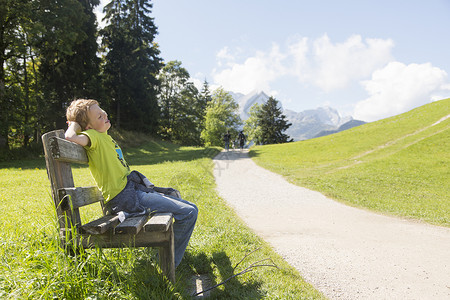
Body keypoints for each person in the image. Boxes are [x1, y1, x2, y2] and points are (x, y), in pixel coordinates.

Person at [64, 99, 198, 268]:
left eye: (103, 111)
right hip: (125, 199)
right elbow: (70, 137)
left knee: (183, 203)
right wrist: (75, 123)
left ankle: (168, 257)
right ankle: (167, 263)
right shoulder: (93, 137)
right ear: (88, 127)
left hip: (133, 192)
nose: (105, 115)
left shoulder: (105, 137)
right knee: (189, 212)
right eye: (99, 116)